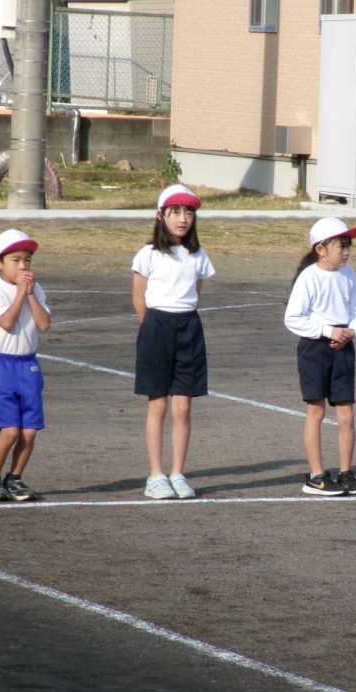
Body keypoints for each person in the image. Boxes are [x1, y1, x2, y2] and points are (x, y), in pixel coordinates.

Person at [132, 183, 215, 500]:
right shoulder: (148, 254)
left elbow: (196, 294)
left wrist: (182, 322)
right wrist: (152, 330)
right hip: (156, 327)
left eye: (188, 212)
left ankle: (177, 473)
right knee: (159, 405)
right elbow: (139, 298)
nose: (183, 218)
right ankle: (155, 475)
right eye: (175, 211)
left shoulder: (198, 255)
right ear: (160, 215)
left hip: (189, 328)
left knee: (183, 406)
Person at [284, 217, 356, 496]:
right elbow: (293, 318)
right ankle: (316, 476)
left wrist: (351, 331)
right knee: (316, 411)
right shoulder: (309, 277)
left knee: (346, 413)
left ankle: (345, 473)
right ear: (320, 249)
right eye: (340, 245)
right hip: (315, 349)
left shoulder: (348, 273)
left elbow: (355, 311)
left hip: (343, 348)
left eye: (348, 245)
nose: (346, 251)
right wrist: (329, 331)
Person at [0, 228, 52, 502]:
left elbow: (43, 324)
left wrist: (30, 294)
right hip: (2, 367)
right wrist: (21, 293)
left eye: (27, 260)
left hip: (28, 367)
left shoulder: (36, 289)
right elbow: (7, 323)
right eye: (16, 260)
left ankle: (15, 477)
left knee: (29, 431)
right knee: (10, 431)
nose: (23, 266)